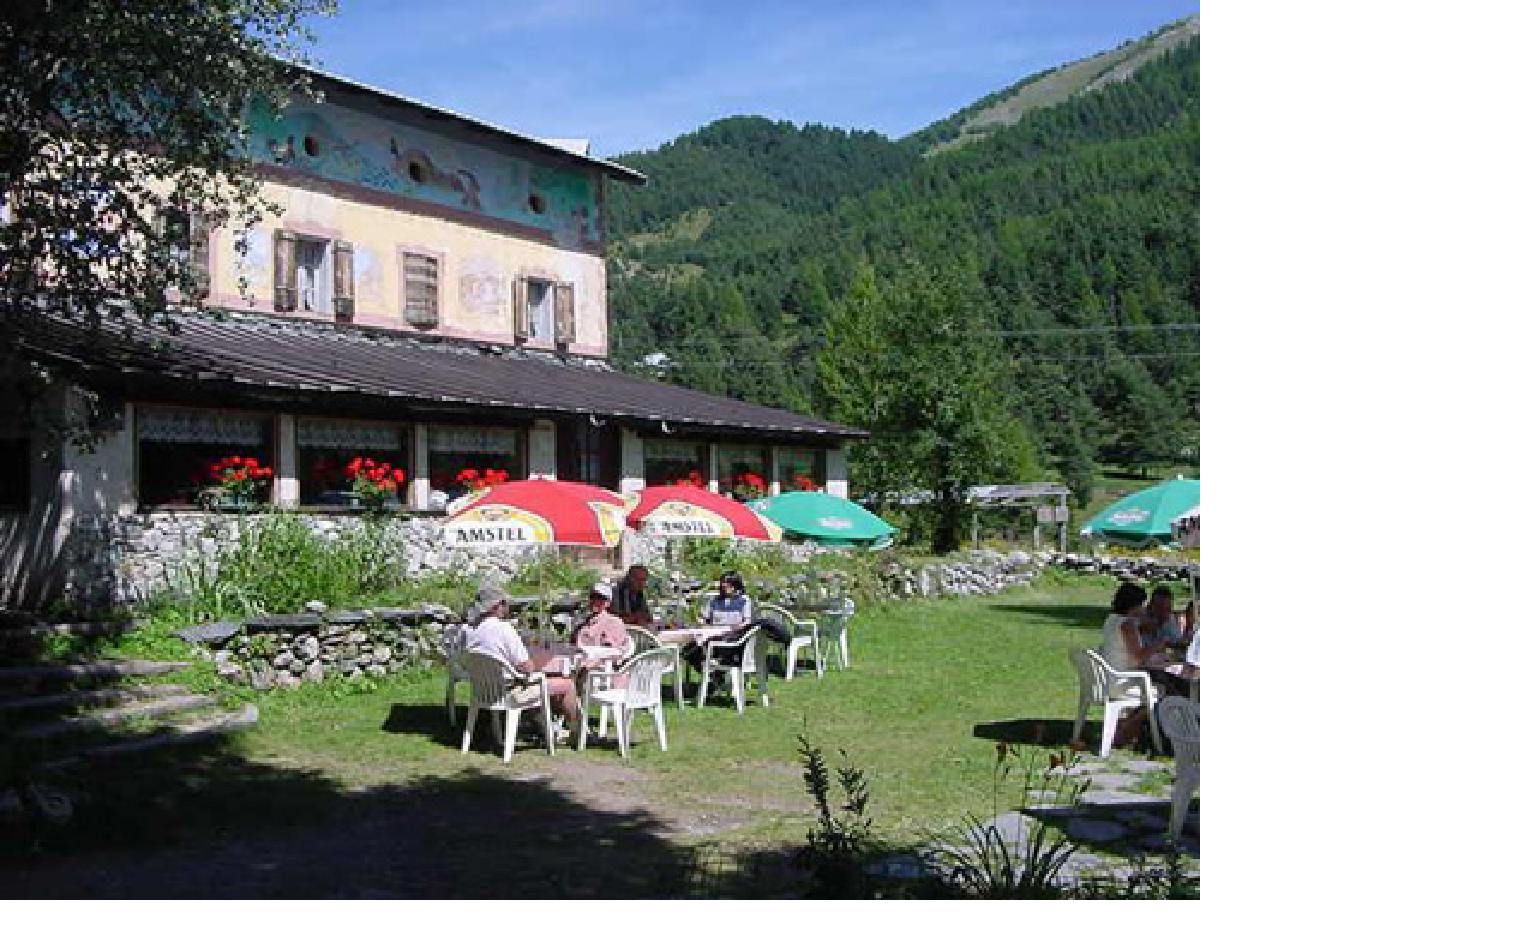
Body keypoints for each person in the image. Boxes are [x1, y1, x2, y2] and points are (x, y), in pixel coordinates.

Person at [463, 583, 581, 736]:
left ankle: (544, 725)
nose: (507, 607)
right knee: (566, 684)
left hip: (482, 690)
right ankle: (576, 731)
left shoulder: (472, 630)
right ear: (496, 606)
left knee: (538, 679)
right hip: (510, 693)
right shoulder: (503, 628)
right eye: (504, 603)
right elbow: (527, 667)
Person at [572, 581, 635, 687]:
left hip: (605, 671)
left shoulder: (613, 622)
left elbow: (616, 652)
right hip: (579, 666)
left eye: (600, 598)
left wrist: (594, 660)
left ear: (607, 603)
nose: (595, 601)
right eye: (593, 597)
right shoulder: (583, 624)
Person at [1138, 585, 1184, 650]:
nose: (1164, 612)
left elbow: (1176, 640)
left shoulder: (1169, 617)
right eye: (1160, 608)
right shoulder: (1139, 616)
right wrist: (1141, 629)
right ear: (1150, 605)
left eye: (1168, 608)